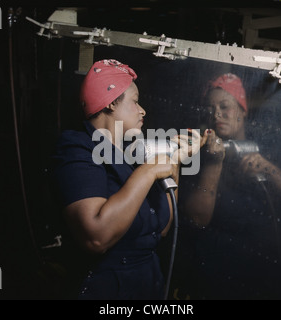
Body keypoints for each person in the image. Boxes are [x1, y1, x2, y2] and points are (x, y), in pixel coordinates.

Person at [50, 59, 204, 300]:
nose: (143, 110)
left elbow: (161, 229)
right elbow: (96, 237)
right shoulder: (77, 150)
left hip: (147, 283)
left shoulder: (130, 155)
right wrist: (149, 170)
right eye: (135, 101)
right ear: (112, 102)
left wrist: (174, 163)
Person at [174, 73, 281, 299]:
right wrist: (214, 162)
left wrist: (270, 170)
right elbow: (196, 218)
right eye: (210, 108)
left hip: (265, 267)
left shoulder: (272, 145)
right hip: (215, 270)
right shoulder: (196, 154)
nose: (217, 114)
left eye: (225, 106)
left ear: (243, 110)